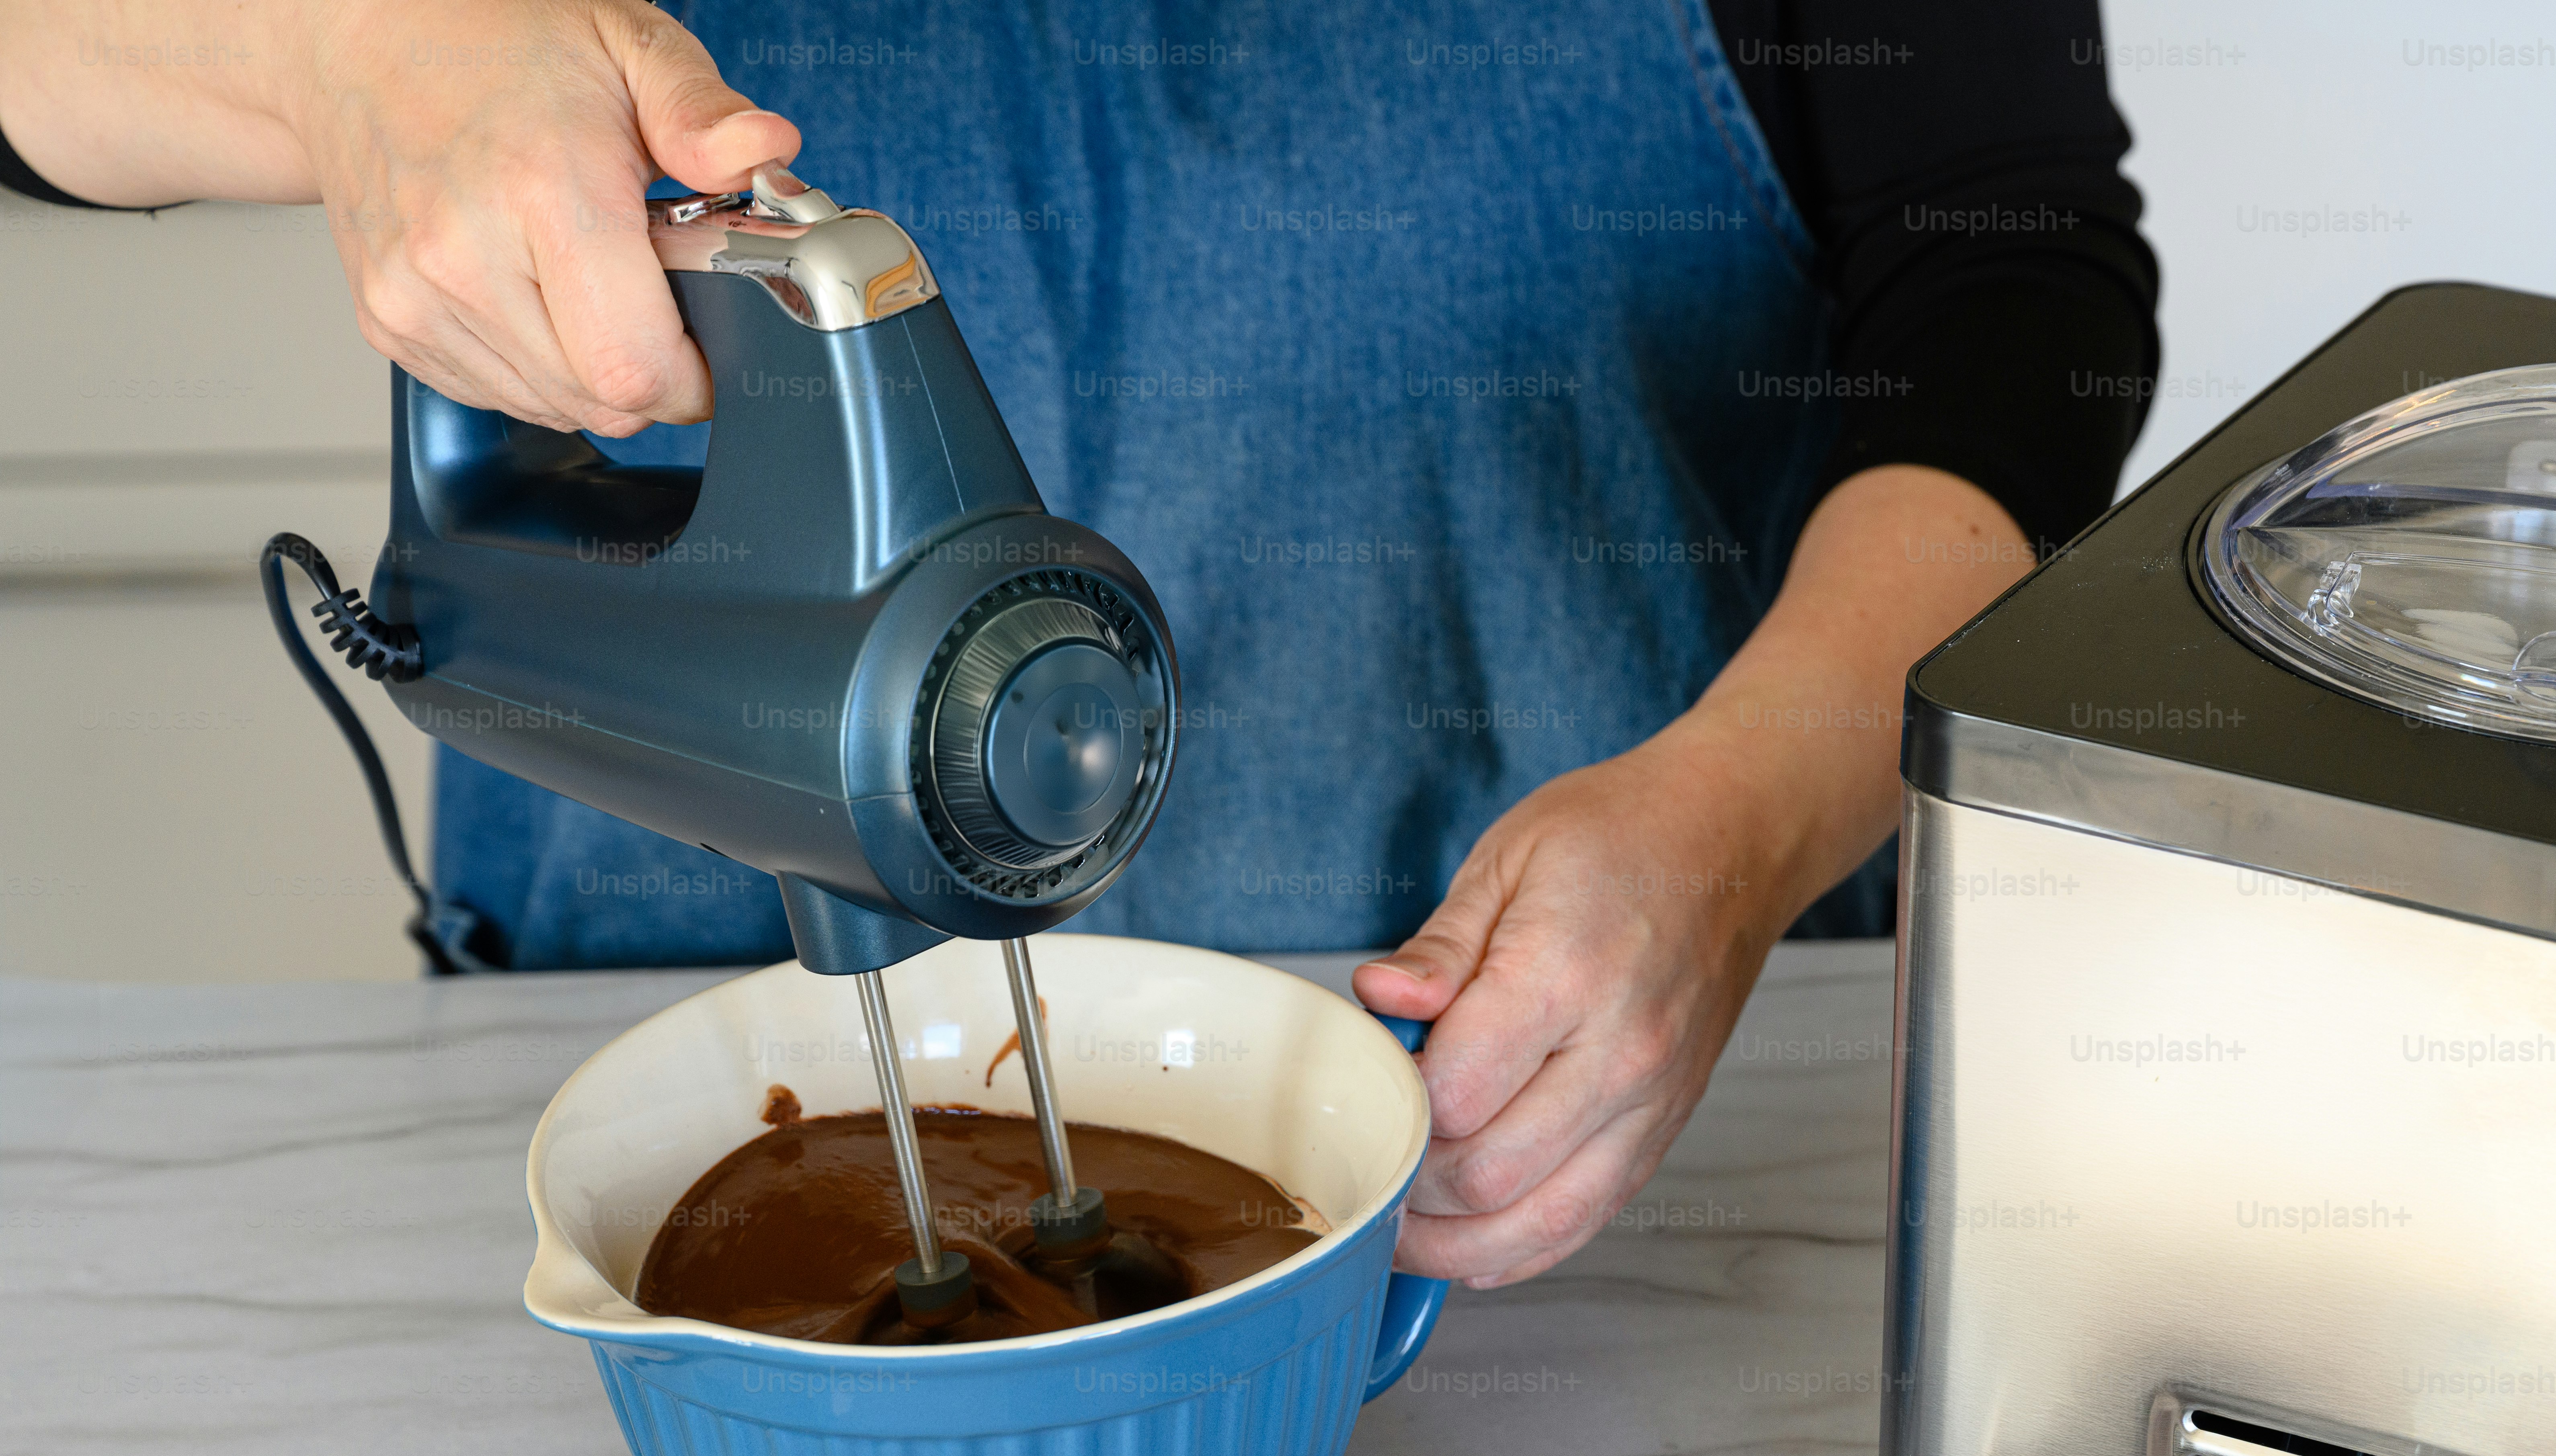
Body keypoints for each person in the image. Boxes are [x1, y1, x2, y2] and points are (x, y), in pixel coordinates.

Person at [0, 1, 2156, 1288]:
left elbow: (2010, 285)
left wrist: (1747, 817)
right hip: (638, 1057)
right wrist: (345, 49)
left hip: (1606, 1145)